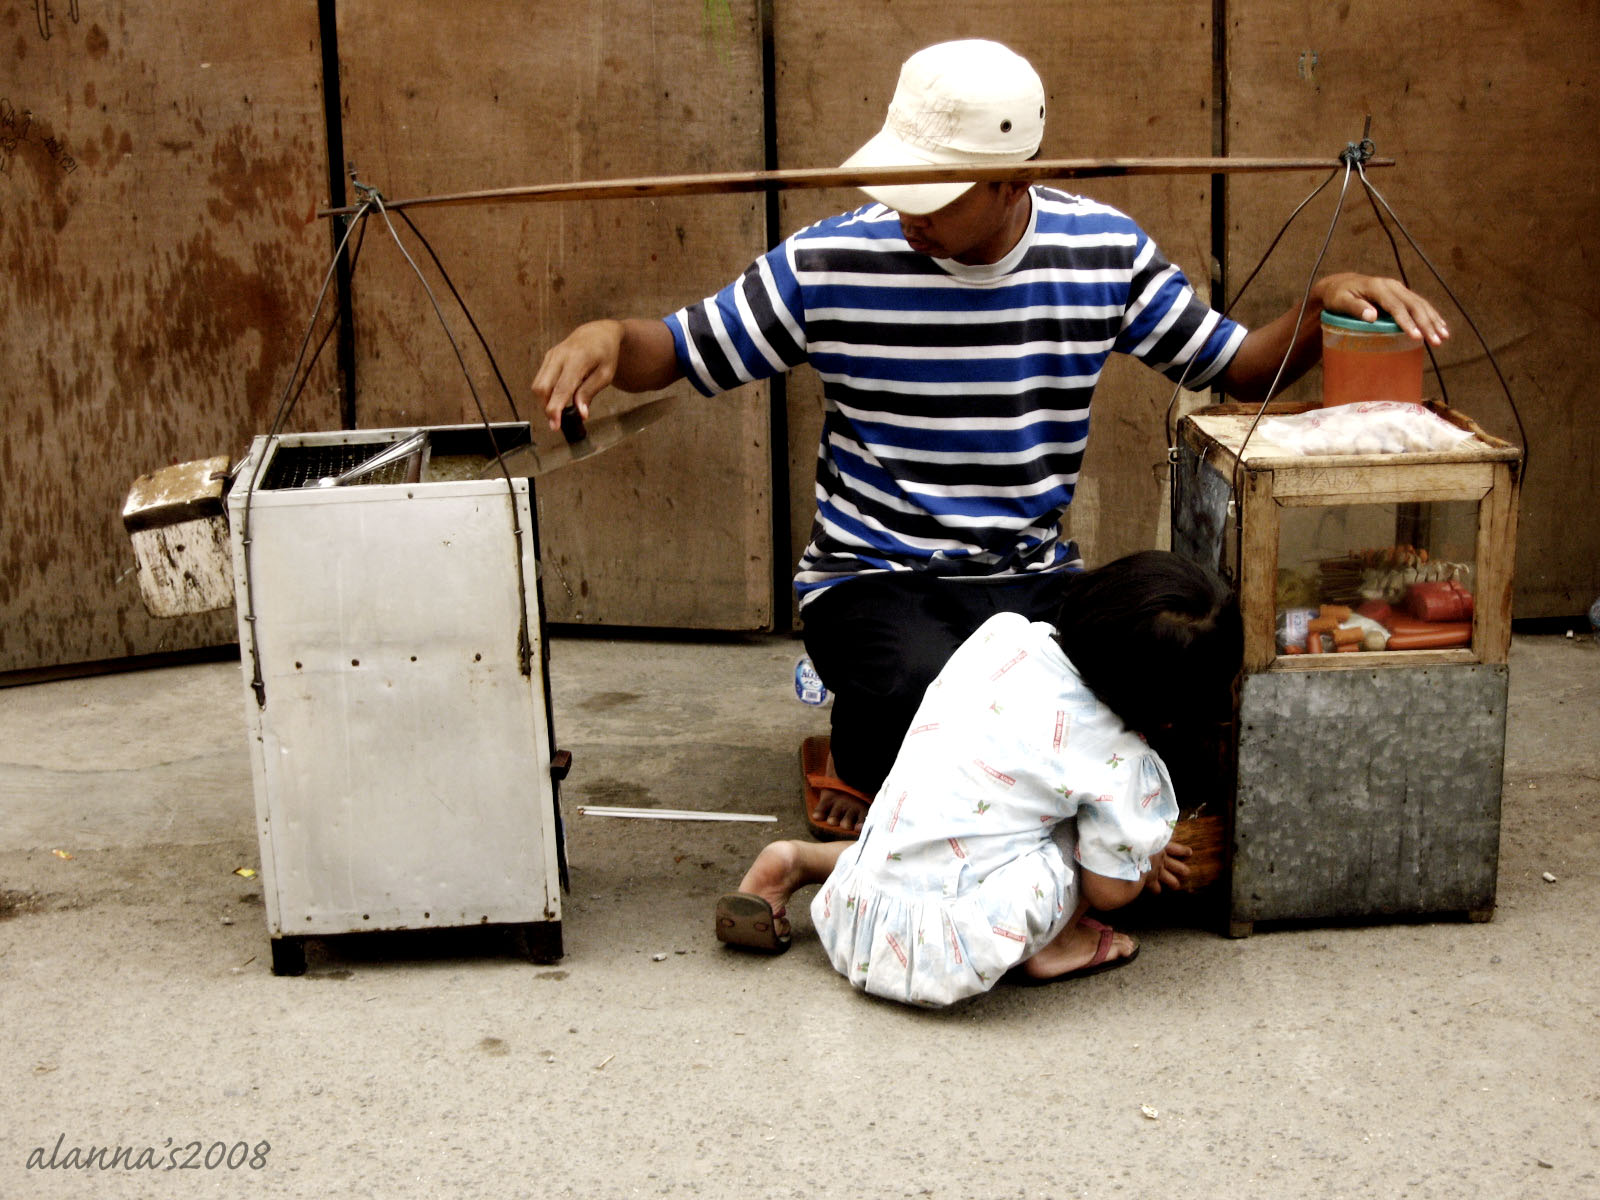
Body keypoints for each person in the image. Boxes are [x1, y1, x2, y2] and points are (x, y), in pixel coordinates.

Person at [532, 39, 1449, 837]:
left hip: (1030, 576)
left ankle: (978, 787)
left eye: (935, 194)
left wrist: (1322, 300)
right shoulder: (832, 260)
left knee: (1190, 644)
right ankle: (922, 760)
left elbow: (1236, 365)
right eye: (899, 183)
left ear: (1015, 182)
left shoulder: (1101, 252)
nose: (909, 212)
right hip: (876, 579)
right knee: (921, 693)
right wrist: (610, 338)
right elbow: (684, 348)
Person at [712, 550, 1242, 1008]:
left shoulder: (1006, 636)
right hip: (937, 949)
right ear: (1170, 709)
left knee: (941, 834)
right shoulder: (1119, 761)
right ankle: (1054, 946)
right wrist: (1140, 855)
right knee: (1093, 838)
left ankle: (798, 861)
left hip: (869, 895)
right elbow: (1107, 891)